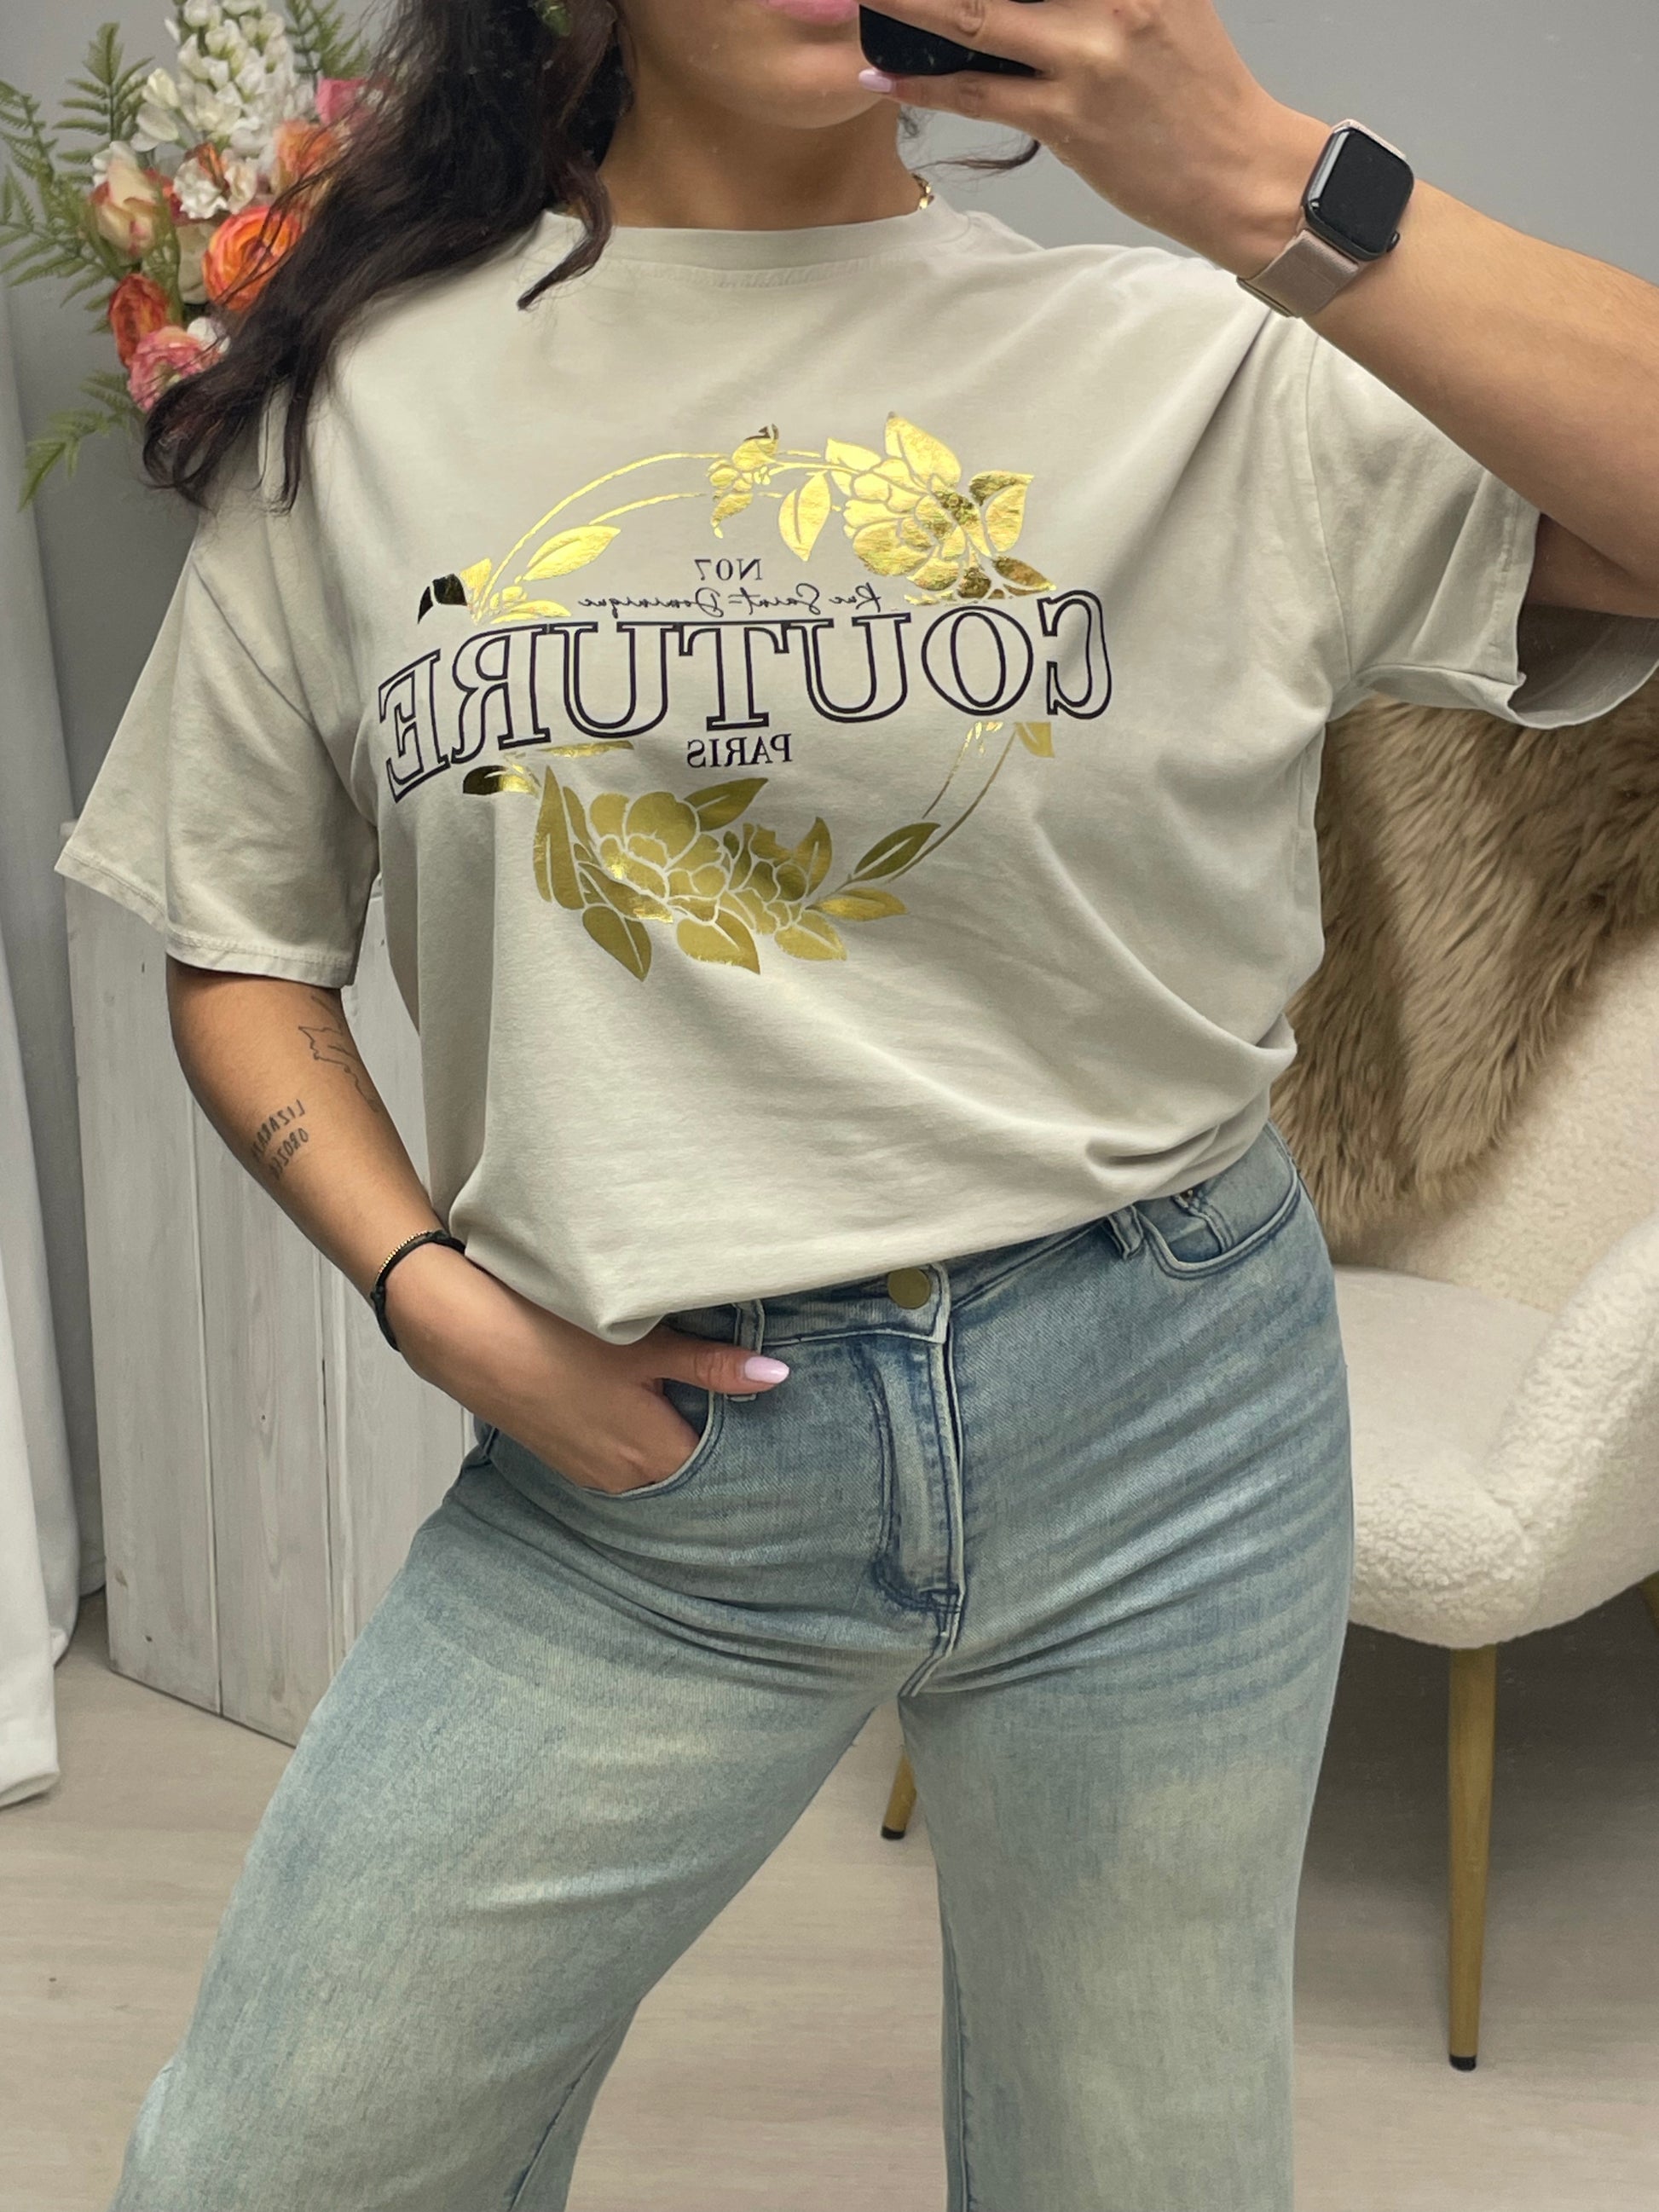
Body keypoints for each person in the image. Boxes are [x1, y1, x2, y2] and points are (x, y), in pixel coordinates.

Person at [53, 0, 1659, 2205]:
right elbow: (239, 938)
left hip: (1173, 1419)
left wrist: (1256, 179)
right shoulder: (377, 402)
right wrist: (426, 1291)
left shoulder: (1197, 362)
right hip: (654, 1483)